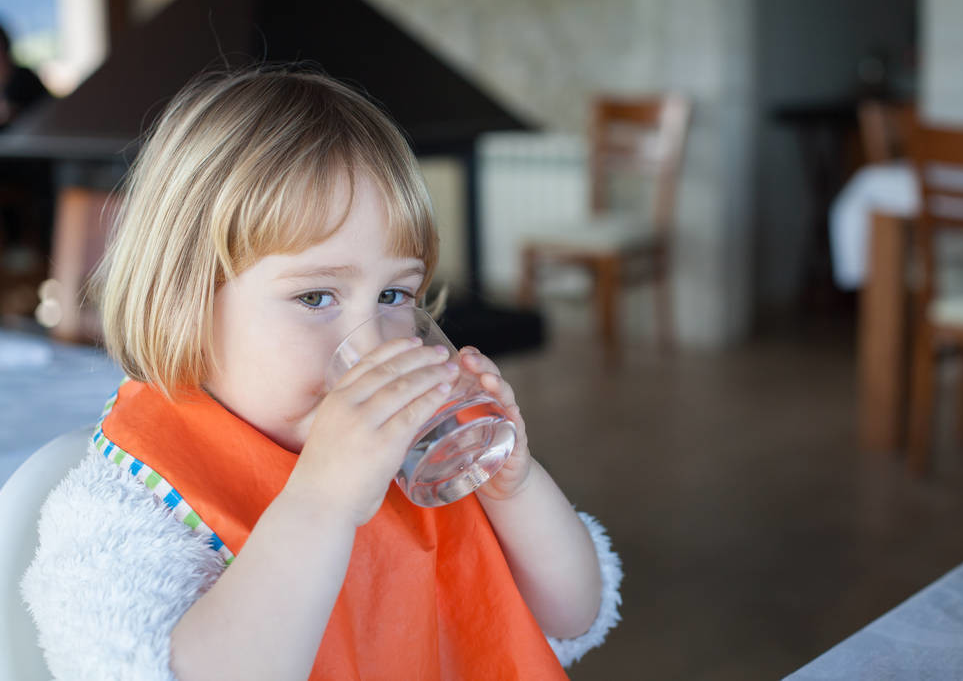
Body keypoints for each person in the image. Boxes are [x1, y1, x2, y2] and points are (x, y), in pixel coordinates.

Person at [20, 66, 621, 680]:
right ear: (187, 303)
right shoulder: (131, 506)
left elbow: (574, 616)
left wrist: (512, 489)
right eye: (314, 298)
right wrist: (321, 503)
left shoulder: (416, 457)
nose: (370, 349)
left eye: (393, 296)